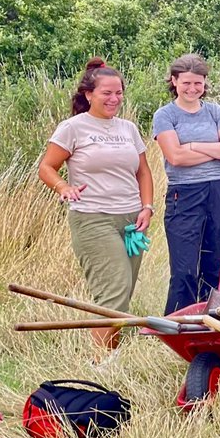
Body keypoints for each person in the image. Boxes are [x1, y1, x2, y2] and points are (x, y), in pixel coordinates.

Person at [37, 59, 154, 358]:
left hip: (131, 220)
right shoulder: (73, 128)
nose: (114, 99)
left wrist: (147, 207)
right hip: (93, 219)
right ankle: (100, 362)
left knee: (122, 292)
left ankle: (110, 355)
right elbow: (46, 167)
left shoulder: (127, 128)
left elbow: (143, 172)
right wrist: (64, 187)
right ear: (89, 94)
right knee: (113, 288)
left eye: (119, 93)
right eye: (107, 93)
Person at [152, 53, 220, 314]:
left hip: (218, 190)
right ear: (174, 81)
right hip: (185, 193)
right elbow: (176, 157)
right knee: (185, 266)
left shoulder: (215, 112)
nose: (192, 89)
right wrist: (215, 150)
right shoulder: (166, 115)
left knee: (217, 257)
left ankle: (213, 315)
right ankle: (180, 321)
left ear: (205, 83)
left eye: (198, 83)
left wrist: (193, 145)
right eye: (186, 83)